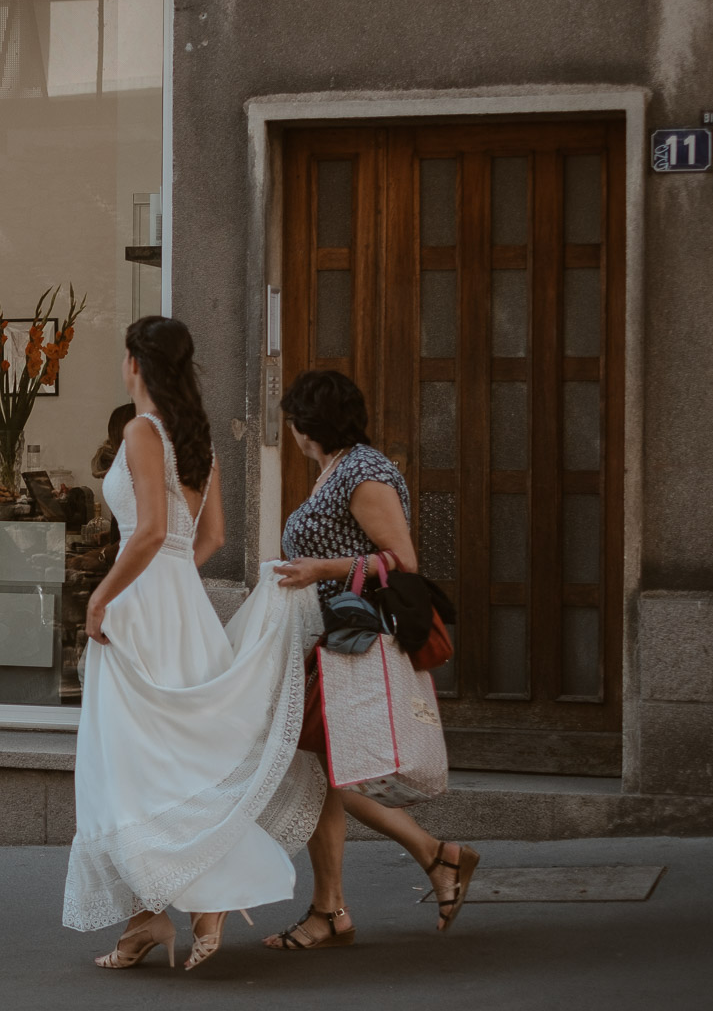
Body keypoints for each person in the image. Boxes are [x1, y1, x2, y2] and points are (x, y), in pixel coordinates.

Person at [65, 318, 324, 972]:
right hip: (181, 603)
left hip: (142, 606)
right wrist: (169, 581)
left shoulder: (141, 431)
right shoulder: (193, 439)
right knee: (174, 760)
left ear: (134, 364)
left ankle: (194, 901)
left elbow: (149, 531)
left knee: (131, 766)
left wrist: (102, 597)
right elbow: (206, 539)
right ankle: (146, 919)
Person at [263, 369, 480, 950]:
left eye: (294, 420)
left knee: (331, 770)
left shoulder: (364, 472)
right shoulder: (337, 468)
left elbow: (402, 559)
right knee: (323, 771)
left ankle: (433, 856)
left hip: (353, 641)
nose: (290, 431)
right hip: (329, 637)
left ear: (312, 423)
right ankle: (333, 910)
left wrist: (320, 570)